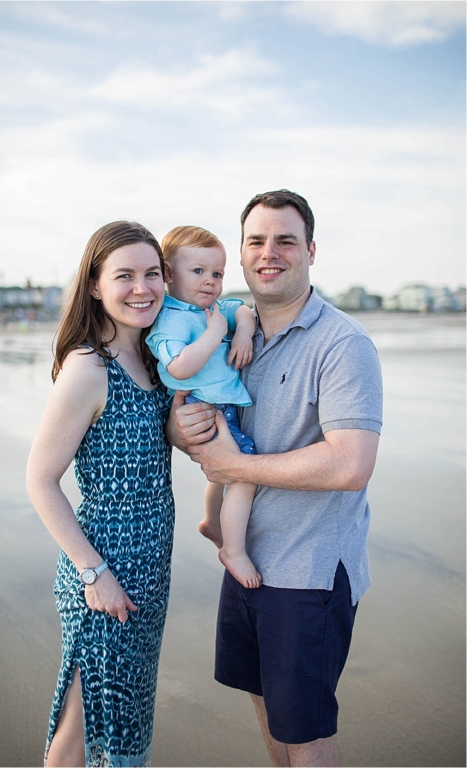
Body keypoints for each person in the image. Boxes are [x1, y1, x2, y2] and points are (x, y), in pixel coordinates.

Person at [168, 190, 382, 767]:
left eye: (286, 240)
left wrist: (234, 468)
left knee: (306, 733)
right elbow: (194, 412)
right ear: (240, 254)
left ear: (310, 250)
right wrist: (179, 425)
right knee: (266, 707)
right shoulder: (235, 330)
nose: (270, 253)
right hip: (245, 562)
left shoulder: (344, 344)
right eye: (257, 241)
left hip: (307, 570)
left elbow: (350, 463)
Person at [25, 221, 174, 767]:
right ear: (94, 285)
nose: (143, 288)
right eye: (125, 276)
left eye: (153, 274)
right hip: (102, 569)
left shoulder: (156, 360)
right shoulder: (90, 367)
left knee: (123, 714)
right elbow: (40, 479)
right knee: (83, 725)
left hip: (149, 567)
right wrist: (93, 573)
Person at [145, 226, 261, 588]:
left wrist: (240, 331)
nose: (210, 281)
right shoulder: (168, 319)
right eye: (198, 271)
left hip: (219, 407)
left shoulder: (212, 308)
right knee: (244, 474)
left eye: (217, 274)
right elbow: (178, 366)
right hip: (203, 408)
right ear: (167, 273)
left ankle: (213, 521)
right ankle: (234, 550)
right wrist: (214, 334)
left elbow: (243, 310)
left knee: (223, 473)